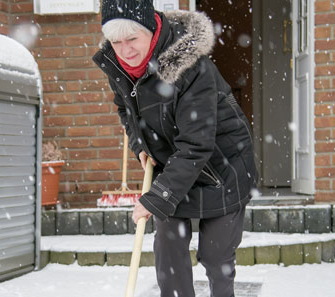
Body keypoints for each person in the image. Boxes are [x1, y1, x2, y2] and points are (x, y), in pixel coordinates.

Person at [92, 1, 259, 296]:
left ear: (151, 30)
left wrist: (157, 196)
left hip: (223, 167)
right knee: (169, 256)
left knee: (216, 256)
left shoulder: (192, 67)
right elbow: (125, 109)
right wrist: (140, 145)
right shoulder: (119, 66)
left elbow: (196, 144)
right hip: (174, 165)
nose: (125, 50)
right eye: (117, 42)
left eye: (132, 39)